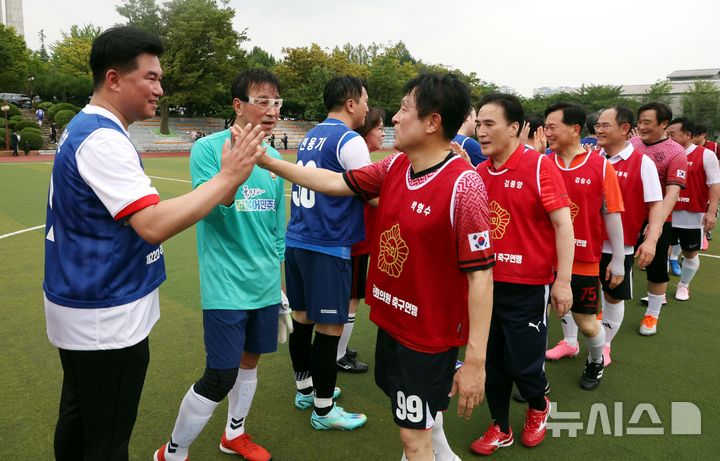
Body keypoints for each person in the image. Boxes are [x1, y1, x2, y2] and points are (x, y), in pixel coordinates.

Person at [42, 26, 264, 461]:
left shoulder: (88, 127)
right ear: (113, 79)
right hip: (105, 313)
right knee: (107, 439)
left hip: (84, 305)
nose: (160, 89)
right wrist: (228, 179)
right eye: (151, 77)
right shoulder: (103, 138)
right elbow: (152, 224)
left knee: (80, 418)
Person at [257, 72, 493, 461]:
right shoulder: (396, 166)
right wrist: (267, 160)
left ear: (433, 122)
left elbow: (481, 277)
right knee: (419, 425)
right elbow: (335, 183)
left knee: (412, 438)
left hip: (428, 337)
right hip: (392, 324)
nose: (394, 119)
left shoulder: (463, 186)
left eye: (404, 110)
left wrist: (475, 361)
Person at [154, 69, 287, 461]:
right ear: (238, 105)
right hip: (225, 286)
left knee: (250, 361)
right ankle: (173, 451)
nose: (272, 110)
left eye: (276, 102)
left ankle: (234, 434)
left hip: (263, 286)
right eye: (262, 101)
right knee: (220, 374)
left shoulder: (276, 158)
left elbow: (276, 227)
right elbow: (208, 212)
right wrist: (232, 177)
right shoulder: (209, 150)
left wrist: (276, 282)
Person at [469, 94, 574, 455]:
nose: (481, 132)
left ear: (514, 128)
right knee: (492, 362)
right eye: (478, 124)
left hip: (528, 287)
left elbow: (563, 224)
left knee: (523, 363)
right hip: (485, 287)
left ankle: (538, 407)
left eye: (489, 124)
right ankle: (500, 426)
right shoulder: (479, 173)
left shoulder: (539, 166)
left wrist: (562, 281)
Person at [282, 75, 371, 430]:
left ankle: (305, 389)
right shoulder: (350, 140)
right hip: (327, 243)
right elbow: (367, 190)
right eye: (364, 100)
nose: (367, 106)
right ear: (351, 103)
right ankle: (323, 410)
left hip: (299, 239)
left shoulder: (311, 135)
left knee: (303, 320)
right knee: (330, 326)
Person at [543, 103, 625, 391]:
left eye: (553, 126)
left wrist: (617, 258)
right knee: (537, 322)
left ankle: (595, 360)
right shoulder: (542, 163)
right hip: (542, 260)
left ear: (575, 130)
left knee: (587, 322)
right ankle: (533, 376)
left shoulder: (601, 165)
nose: (547, 132)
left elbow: (611, 213)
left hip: (584, 259)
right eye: (546, 126)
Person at [594, 106, 663, 365]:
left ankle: (605, 346)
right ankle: (569, 342)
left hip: (618, 247)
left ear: (624, 129)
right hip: (584, 244)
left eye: (605, 125)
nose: (598, 130)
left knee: (612, 295)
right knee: (582, 294)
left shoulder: (642, 163)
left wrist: (651, 240)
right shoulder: (591, 158)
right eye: (597, 125)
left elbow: (655, 204)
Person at [336, 107, 386, 374]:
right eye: (379, 128)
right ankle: (339, 354)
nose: (382, 133)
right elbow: (368, 196)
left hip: (355, 238)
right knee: (351, 299)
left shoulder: (362, 158)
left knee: (349, 297)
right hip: (356, 239)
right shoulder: (360, 160)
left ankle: (339, 348)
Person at [631, 102, 687, 335]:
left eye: (647, 122)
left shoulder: (676, 153)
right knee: (616, 263)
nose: (641, 127)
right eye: (639, 122)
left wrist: (654, 227)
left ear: (664, 124)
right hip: (625, 217)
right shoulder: (631, 144)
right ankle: (608, 307)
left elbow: (673, 192)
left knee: (655, 268)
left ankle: (652, 315)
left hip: (658, 218)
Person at [666, 117, 720, 301]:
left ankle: (683, 285)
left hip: (693, 214)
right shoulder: (666, 154)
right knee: (661, 250)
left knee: (690, 253)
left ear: (688, 135)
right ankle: (658, 291)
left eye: (672, 134)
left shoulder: (706, 155)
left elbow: (714, 184)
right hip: (665, 213)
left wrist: (712, 212)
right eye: (667, 134)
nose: (668, 137)